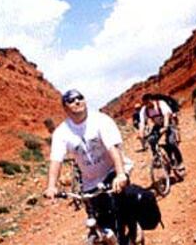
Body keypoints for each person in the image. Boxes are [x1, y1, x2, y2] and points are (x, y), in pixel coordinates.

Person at [44, 89, 139, 243]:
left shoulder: (101, 120)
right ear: (65, 107)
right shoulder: (61, 133)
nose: (77, 101)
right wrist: (51, 186)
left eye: (80, 98)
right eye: (71, 100)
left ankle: (133, 233)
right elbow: (56, 159)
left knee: (118, 212)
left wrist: (120, 173)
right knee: (98, 219)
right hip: (90, 181)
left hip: (112, 170)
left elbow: (113, 148)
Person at [138, 93, 184, 169]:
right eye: (145, 103)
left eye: (148, 102)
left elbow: (166, 115)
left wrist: (165, 127)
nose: (147, 105)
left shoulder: (161, 104)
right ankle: (157, 158)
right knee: (151, 140)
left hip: (169, 123)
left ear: (151, 100)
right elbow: (142, 123)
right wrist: (141, 134)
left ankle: (180, 162)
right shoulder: (144, 110)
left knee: (171, 142)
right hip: (158, 125)